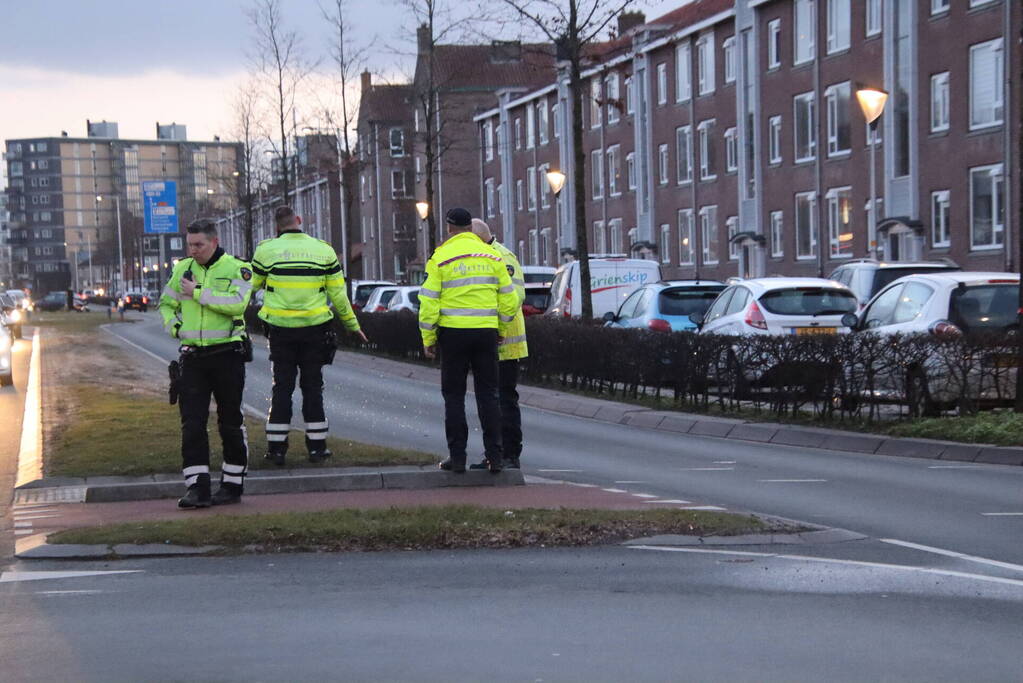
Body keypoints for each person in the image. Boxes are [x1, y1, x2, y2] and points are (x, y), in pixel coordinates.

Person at [250, 205, 367, 466]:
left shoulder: (266, 250)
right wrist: (352, 324)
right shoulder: (323, 250)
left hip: (280, 331)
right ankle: (317, 448)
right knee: (313, 388)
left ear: (277, 226)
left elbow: (249, 286)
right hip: (315, 329)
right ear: (299, 221)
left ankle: (277, 449)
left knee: (282, 387)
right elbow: (338, 294)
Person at [159, 219, 254, 509]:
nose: (193, 250)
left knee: (230, 422)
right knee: (192, 424)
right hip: (194, 358)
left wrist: (198, 292)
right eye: (190, 244)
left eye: (198, 244)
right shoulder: (181, 270)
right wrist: (176, 328)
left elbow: (237, 304)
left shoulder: (237, 269)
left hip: (227, 356)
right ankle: (197, 487)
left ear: (214, 242)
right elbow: (166, 304)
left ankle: (232, 485)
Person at [418, 207, 519, 473]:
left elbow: (428, 303)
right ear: (470, 228)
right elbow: (510, 300)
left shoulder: (440, 257)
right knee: (489, 395)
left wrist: (428, 337)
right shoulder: (493, 256)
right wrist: (500, 329)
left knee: (454, 396)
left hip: (453, 335)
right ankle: (495, 457)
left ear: (449, 228)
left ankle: (458, 457)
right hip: (485, 333)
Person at [468, 219, 527, 470]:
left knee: (504, 399)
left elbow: (514, 298)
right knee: (492, 400)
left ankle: (510, 454)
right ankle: (495, 453)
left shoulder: (503, 257)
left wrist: (497, 327)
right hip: (490, 340)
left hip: (506, 342)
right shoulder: (483, 256)